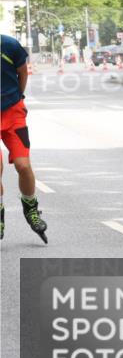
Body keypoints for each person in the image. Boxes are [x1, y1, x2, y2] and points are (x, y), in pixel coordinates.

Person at [0, 34, 47, 243]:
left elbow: (22, 72)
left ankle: (30, 208)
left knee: (23, 165)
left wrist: (17, 97)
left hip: (12, 111)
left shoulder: (9, 45)